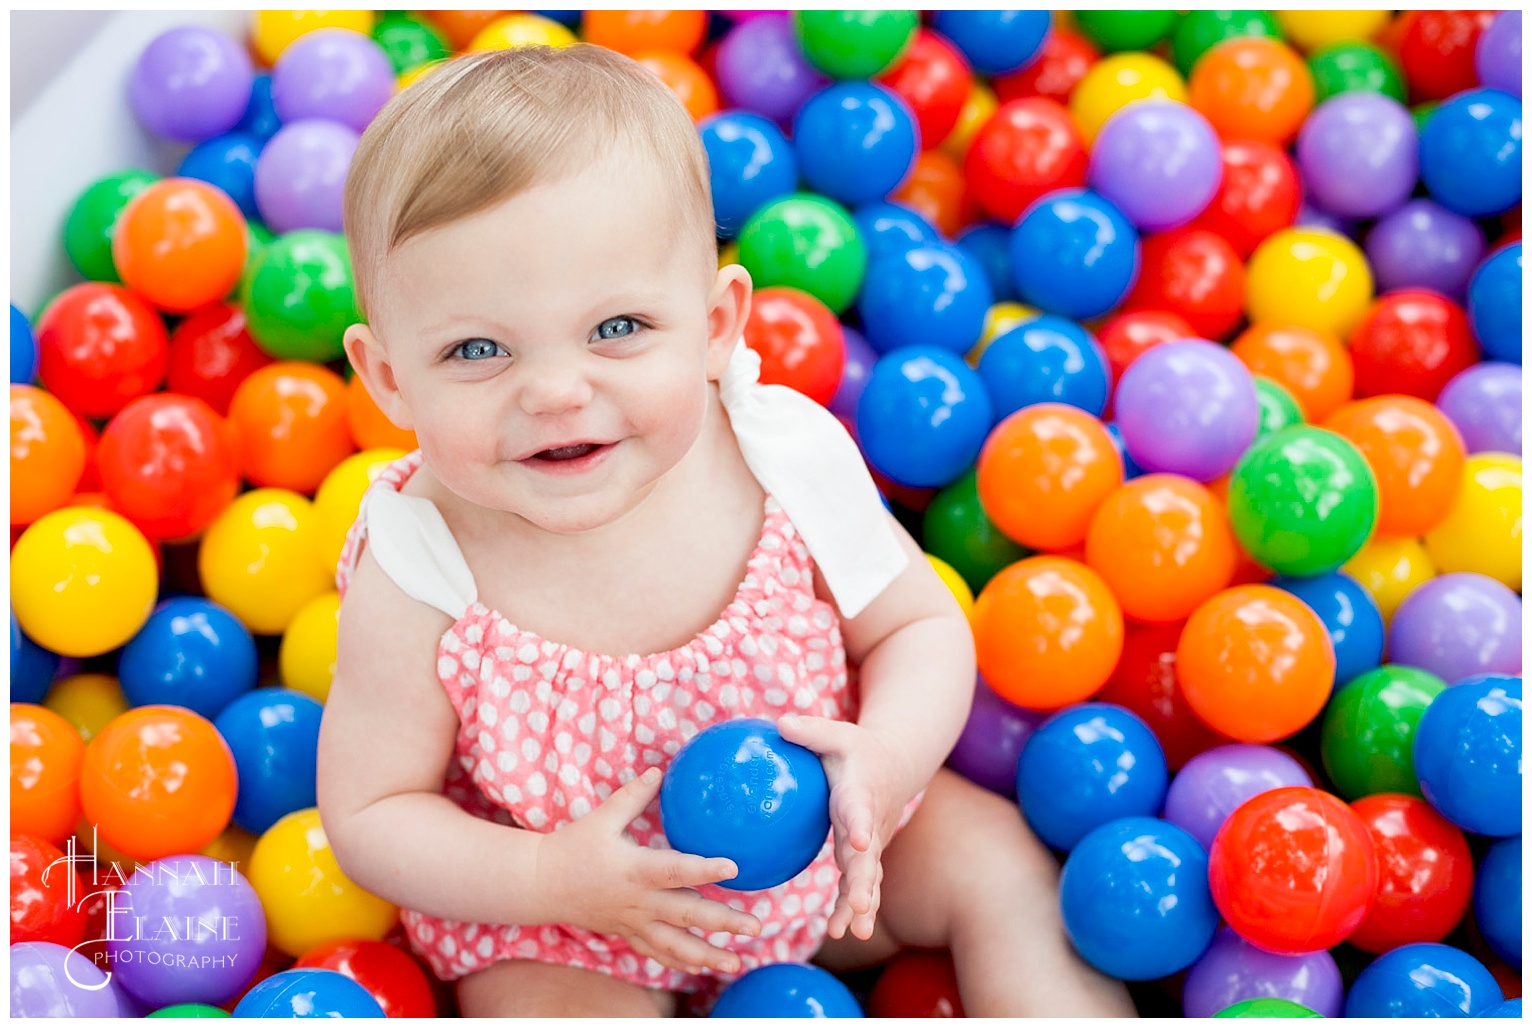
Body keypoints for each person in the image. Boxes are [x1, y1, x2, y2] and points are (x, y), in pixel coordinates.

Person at [316, 43, 1134, 1018]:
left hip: (841, 850)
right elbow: (370, 814)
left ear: (713, 325)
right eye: (477, 348)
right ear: (388, 377)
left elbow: (916, 628)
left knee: (999, 865)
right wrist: (548, 877)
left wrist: (881, 764)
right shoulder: (420, 568)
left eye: (616, 327)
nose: (556, 390)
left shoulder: (779, 456)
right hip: (576, 923)